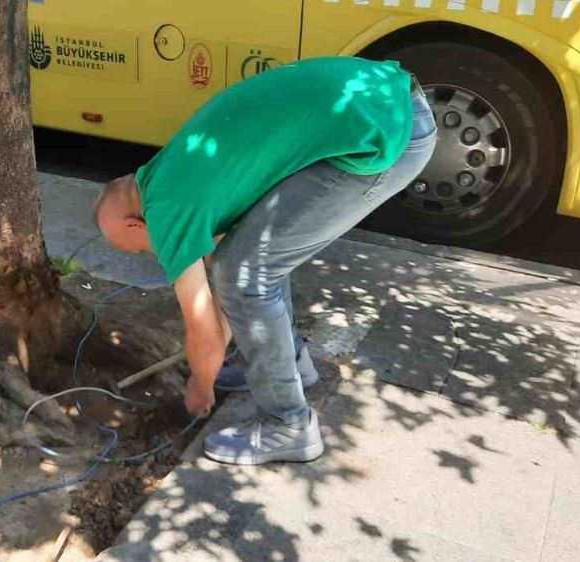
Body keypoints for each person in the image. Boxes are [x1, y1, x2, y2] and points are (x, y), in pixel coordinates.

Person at [94, 56, 438, 465]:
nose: (150, 254)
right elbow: (220, 273)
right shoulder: (167, 172)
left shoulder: (166, 208)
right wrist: (220, 350)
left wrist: (201, 386)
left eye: (137, 248)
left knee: (244, 273)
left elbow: (203, 323)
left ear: (135, 225)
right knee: (251, 258)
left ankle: (288, 425)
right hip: (386, 100)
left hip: (386, 134)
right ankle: (290, 368)